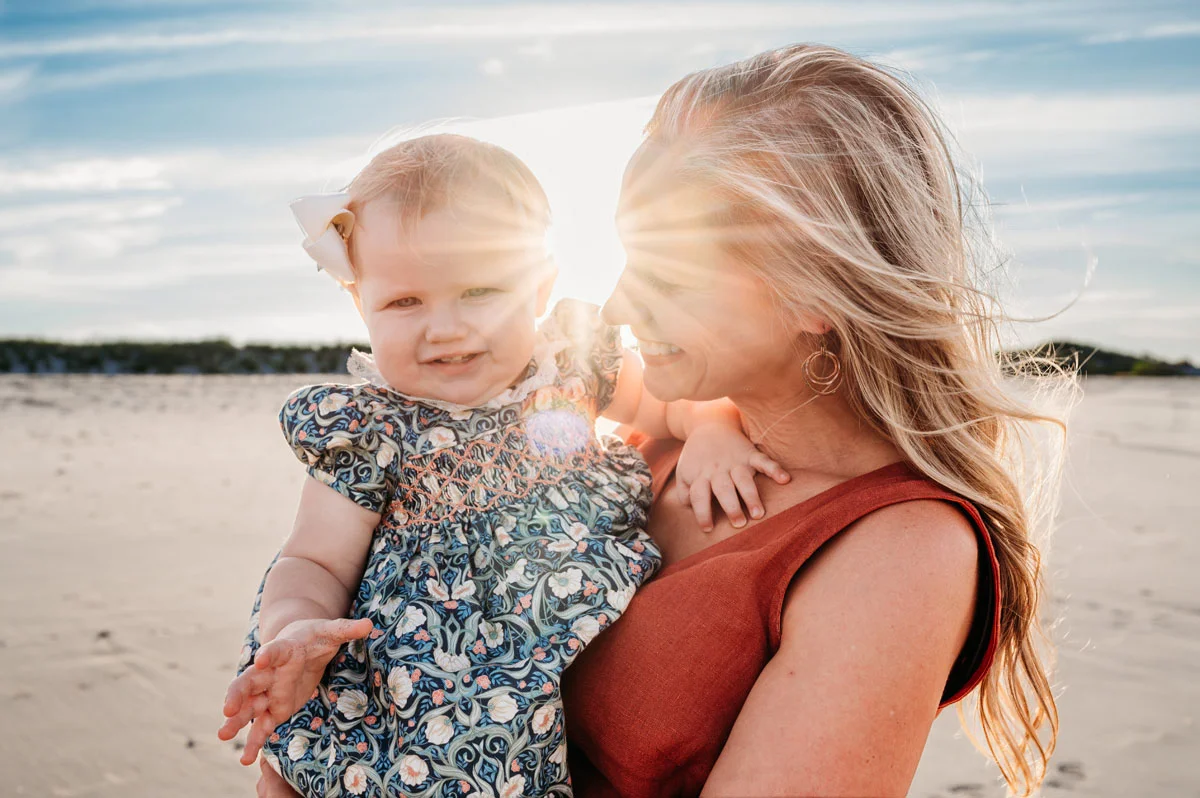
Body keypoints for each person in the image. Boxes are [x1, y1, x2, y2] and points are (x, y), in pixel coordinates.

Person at [561, 44, 1073, 797]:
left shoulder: (900, 550)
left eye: (667, 274)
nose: (616, 308)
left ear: (818, 293)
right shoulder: (665, 431)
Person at [216, 133, 788, 797]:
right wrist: (291, 630)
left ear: (540, 286)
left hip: (553, 643)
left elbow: (668, 406)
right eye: (405, 303)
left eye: (479, 291)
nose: (446, 327)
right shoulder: (371, 431)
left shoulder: (573, 366)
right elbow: (313, 559)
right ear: (358, 303)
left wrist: (713, 425)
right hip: (423, 674)